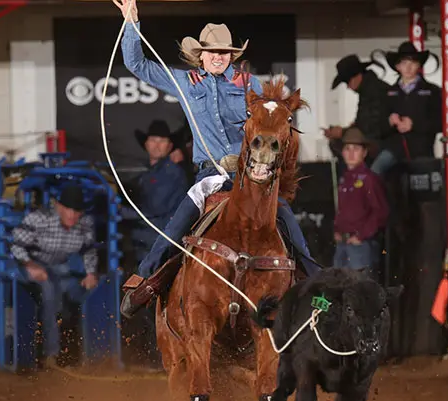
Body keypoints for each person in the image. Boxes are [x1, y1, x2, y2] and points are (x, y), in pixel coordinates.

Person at [112, 0, 318, 318]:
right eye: (212, 52)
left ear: (231, 56)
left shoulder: (251, 85)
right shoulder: (184, 82)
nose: (218, 57)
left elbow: (273, 122)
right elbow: (137, 65)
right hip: (210, 174)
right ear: (201, 55)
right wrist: (131, 23)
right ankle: (147, 279)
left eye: (224, 53)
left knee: (285, 216)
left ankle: (314, 284)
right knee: (179, 222)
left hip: (252, 175)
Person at [10, 184, 99, 367]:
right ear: (58, 207)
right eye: (68, 209)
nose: (73, 215)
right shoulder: (39, 219)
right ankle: (51, 353)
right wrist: (30, 265)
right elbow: (15, 245)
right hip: (28, 266)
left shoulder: (85, 224)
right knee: (50, 292)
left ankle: (90, 355)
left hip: (60, 268)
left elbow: (89, 251)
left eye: (77, 211)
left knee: (85, 291)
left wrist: (91, 273)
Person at [123, 119, 190, 262]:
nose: (157, 145)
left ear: (170, 145)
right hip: (151, 241)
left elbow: (154, 207)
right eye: (153, 140)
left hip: (159, 242)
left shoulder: (171, 172)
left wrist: (120, 210)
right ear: (146, 144)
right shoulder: (151, 174)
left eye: (162, 141)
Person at [372, 41, 442, 176]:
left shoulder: (432, 91)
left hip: (422, 150)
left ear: (419, 65)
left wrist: (414, 124)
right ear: (397, 66)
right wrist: (390, 121)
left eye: (413, 62)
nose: (408, 67)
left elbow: (440, 123)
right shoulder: (387, 93)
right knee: (374, 173)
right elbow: (378, 128)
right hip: (394, 149)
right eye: (404, 63)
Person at [333, 127, 388, 272]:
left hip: (360, 246)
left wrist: (361, 235)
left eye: (355, 149)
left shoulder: (369, 179)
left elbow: (380, 212)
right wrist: (337, 230)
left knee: (359, 288)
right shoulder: (344, 178)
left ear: (364, 153)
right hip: (343, 244)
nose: (351, 153)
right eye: (347, 148)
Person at [324, 54, 390, 172]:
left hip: (383, 143)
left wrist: (344, 132)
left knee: (338, 143)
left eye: (347, 82)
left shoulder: (373, 91)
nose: (349, 87)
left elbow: (373, 128)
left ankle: (355, 179)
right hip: (379, 141)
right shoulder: (369, 89)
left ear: (356, 77)